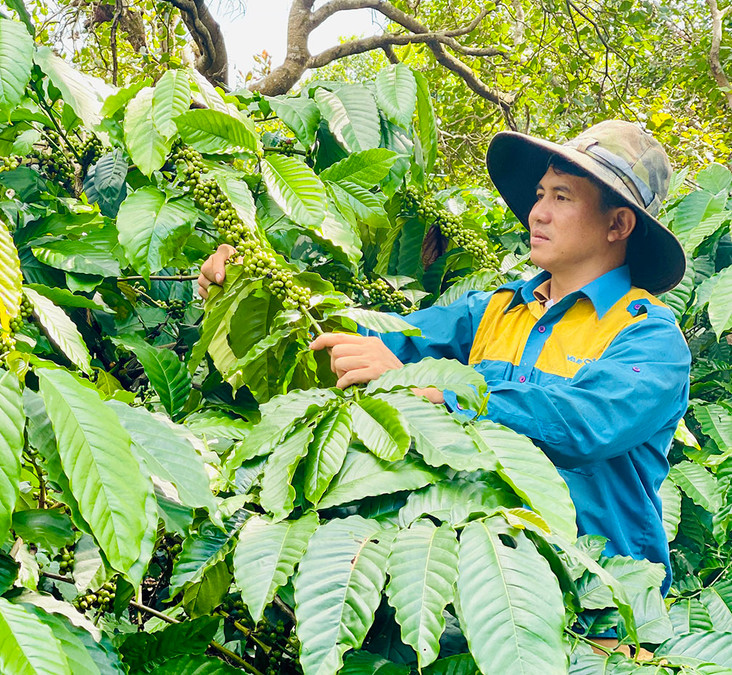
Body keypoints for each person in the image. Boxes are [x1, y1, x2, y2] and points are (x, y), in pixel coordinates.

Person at [198, 120, 690, 607]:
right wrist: (253, 289)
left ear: (618, 224)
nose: (537, 213)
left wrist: (439, 393)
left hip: (600, 608)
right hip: (474, 587)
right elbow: (368, 339)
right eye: (540, 194)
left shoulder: (649, 337)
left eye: (562, 197)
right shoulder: (491, 311)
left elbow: (585, 423)